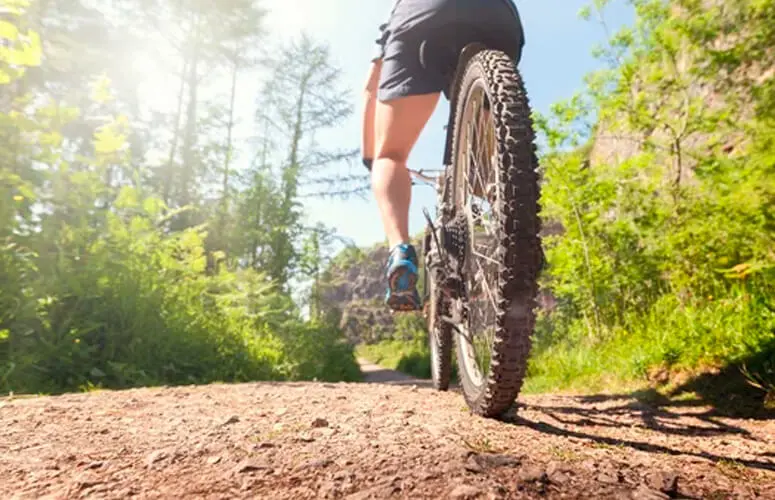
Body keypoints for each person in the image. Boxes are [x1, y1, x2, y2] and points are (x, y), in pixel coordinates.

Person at [361, 0, 525, 311]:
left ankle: (401, 253)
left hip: (421, 16)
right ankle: (517, 230)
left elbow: (371, 87)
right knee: (483, 170)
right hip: (500, 18)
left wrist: (374, 159)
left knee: (391, 154)